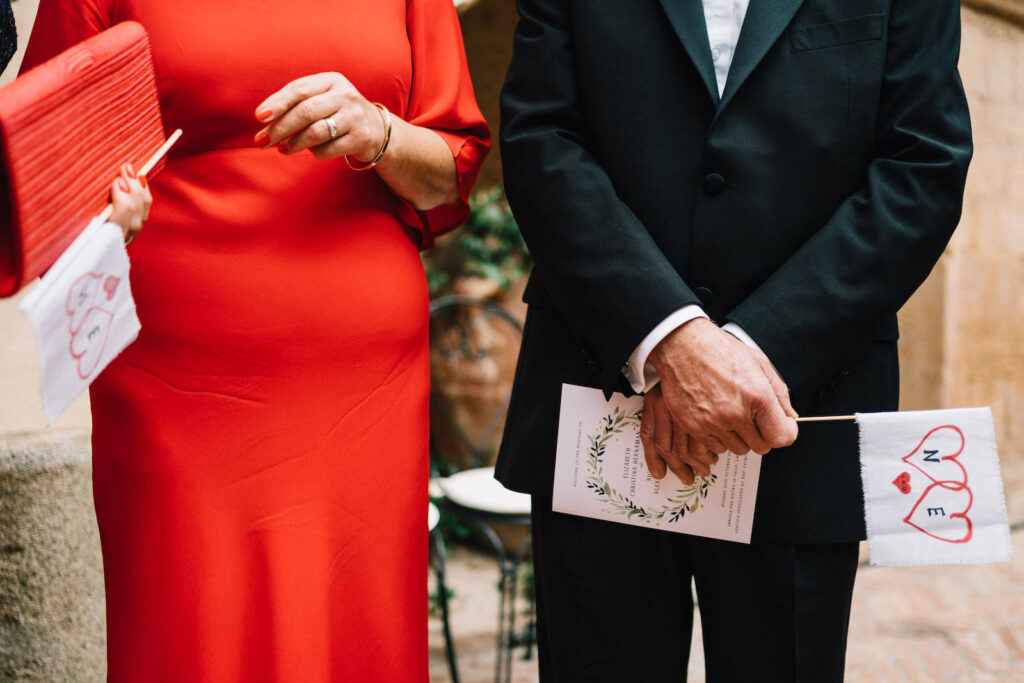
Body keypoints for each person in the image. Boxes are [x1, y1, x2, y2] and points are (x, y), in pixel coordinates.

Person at [496, 1, 972, 681]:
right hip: (602, 406)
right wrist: (666, 339)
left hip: (801, 415)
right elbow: (541, 137)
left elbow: (922, 165)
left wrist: (744, 353)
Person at [22, 1, 488, 679]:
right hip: (176, 380)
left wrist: (378, 131)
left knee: (353, 628)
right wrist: (97, 209)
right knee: (191, 625)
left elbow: (453, 173)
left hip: (361, 387)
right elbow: (45, 154)